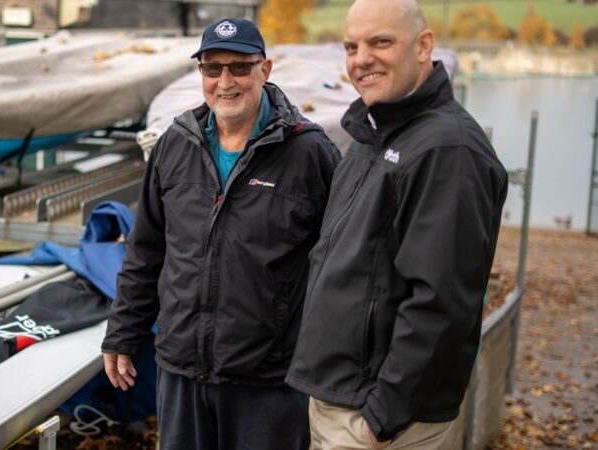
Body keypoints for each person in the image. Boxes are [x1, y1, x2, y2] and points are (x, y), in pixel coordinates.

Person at [100, 18, 341, 450]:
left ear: (264, 69)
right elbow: (147, 250)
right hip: (182, 372)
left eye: (239, 67)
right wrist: (123, 331)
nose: (225, 82)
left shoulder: (309, 152)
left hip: (268, 381)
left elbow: (342, 268)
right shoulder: (176, 143)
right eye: (212, 69)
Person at [285, 1, 508, 449]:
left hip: (377, 421)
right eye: (352, 46)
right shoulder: (377, 133)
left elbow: (441, 301)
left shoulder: (446, 151)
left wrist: (383, 416)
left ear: (424, 46)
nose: (361, 58)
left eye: (380, 42)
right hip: (341, 400)